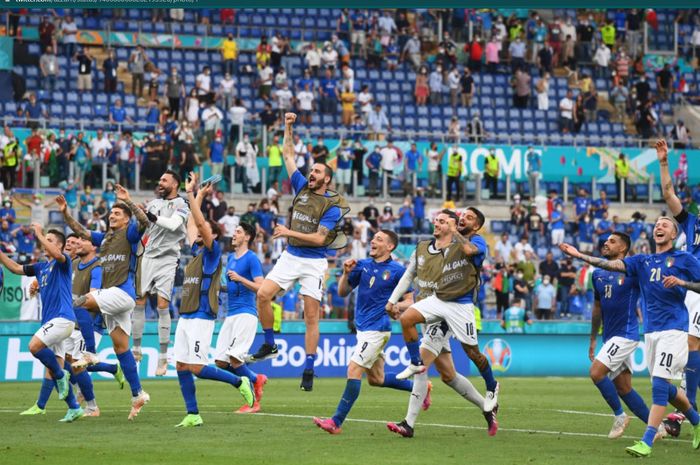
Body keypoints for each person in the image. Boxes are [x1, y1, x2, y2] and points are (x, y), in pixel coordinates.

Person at [559, 216, 700, 457]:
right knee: (665, 390)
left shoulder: (684, 259)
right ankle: (697, 421)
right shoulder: (641, 262)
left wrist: (682, 282)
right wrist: (580, 256)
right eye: (657, 224)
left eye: (665, 224)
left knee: (658, 387)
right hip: (652, 332)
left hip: (675, 329)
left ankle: (647, 440)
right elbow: (611, 266)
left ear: (674, 234)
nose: (659, 226)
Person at [247, 113, 349, 393]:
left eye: (317, 172)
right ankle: (269, 341)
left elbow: (319, 239)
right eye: (312, 171)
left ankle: (309, 366)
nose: (312, 173)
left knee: (311, 318)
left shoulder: (333, 206)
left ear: (326, 179)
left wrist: (289, 232)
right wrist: (289, 126)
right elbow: (288, 153)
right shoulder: (301, 187)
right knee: (263, 294)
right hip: (291, 257)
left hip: (314, 263)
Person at [385, 209, 499, 437]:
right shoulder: (426, 247)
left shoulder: (472, 242)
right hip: (433, 305)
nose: (437, 224)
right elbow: (412, 277)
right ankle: (487, 410)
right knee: (448, 375)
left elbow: (469, 251)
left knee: (464, 355)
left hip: (456, 310)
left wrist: (455, 229)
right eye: (436, 220)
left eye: (442, 221)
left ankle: (409, 424)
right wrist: (394, 301)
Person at [312, 230, 420, 434]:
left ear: (390, 247)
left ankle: (335, 422)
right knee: (376, 379)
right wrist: (345, 273)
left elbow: (410, 299)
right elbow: (343, 292)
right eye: (373, 238)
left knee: (353, 369)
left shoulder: (397, 270)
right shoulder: (361, 265)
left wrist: (397, 306)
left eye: (379, 239)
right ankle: (420, 388)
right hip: (362, 329)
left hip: (377, 329)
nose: (372, 241)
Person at [57, 187, 150, 420]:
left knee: (78, 302)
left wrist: (128, 201)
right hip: (114, 298)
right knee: (121, 349)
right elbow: (80, 231)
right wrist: (66, 214)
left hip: (122, 293)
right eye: (111, 214)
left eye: (117, 214)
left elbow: (145, 221)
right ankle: (138, 394)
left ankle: (90, 352)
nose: (112, 216)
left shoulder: (129, 234)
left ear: (127, 218)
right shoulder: (105, 238)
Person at [173, 175, 253, 428]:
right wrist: (196, 194)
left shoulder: (212, 251)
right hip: (186, 315)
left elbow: (198, 223)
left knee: (196, 367)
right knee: (181, 366)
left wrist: (193, 197)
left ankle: (239, 381)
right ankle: (193, 414)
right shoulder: (196, 250)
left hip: (202, 314)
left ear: (211, 234)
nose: (196, 231)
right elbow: (190, 224)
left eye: (203, 229)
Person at [0, 225, 84, 422]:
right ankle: (74, 407)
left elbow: (56, 253)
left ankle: (62, 375)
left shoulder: (63, 261)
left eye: (50, 240)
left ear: (61, 246)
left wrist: (38, 233)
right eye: (44, 239)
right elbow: (15, 268)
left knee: (34, 346)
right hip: (52, 322)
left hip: (62, 319)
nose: (45, 243)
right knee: (52, 368)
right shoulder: (41, 267)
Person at [588, 232, 651, 439]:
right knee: (624, 389)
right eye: (606, 240)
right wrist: (593, 339)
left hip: (626, 334)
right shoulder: (596, 274)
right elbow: (597, 308)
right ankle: (656, 427)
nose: (606, 243)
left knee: (596, 373)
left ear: (623, 248)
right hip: (609, 336)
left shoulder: (633, 272)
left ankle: (620, 416)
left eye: (612, 241)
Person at [657, 138, 700, 432]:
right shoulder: (692, 222)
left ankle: (688, 407)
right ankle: (686, 408)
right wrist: (663, 162)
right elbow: (668, 193)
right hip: (691, 287)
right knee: (688, 345)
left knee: (692, 343)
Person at [131, 170, 190, 376]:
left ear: (175, 184)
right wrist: (137, 209)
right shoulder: (154, 204)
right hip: (147, 257)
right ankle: (136, 348)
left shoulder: (182, 205)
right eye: (160, 179)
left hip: (167, 259)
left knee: (162, 305)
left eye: (164, 180)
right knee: (139, 301)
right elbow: (147, 224)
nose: (160, 182)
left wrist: (150, 215)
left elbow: (174, 225)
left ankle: (163, 358)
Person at [214, 221, 267, 413]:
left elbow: (261, 287)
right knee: (220, 362)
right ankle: (255, 378)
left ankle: (253, 402)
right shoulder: (230, 258)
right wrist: (219, 288)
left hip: (246, 313)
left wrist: (240, 278)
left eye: (238, 232)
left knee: (235, 359)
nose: (233, 234)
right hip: (231, 315)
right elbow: (233, 286)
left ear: (247, 237)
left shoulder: (251, 258)